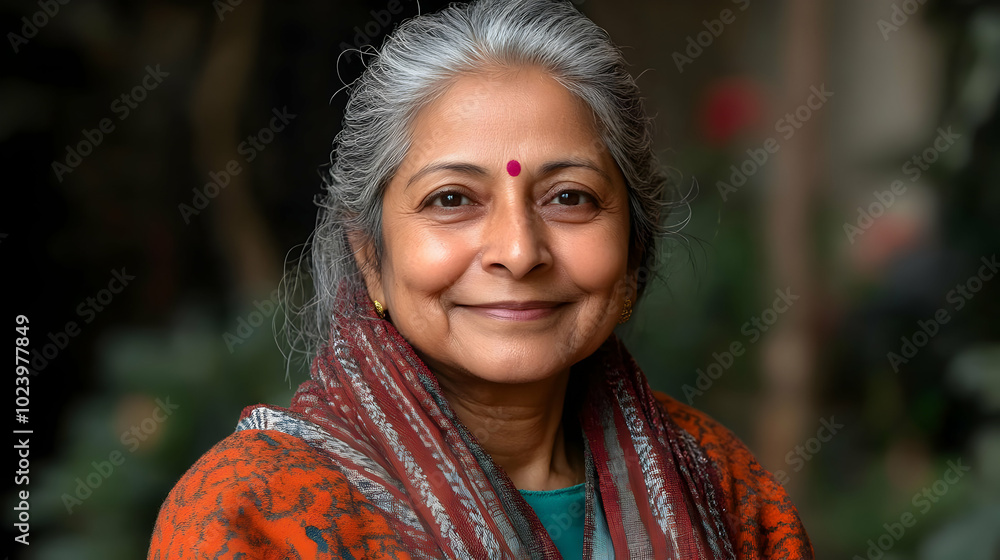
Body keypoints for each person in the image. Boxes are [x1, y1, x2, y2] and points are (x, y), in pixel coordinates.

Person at [148, 0, 813, 558]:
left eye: (570, 197)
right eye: (452, 200)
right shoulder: (254, 513)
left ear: (633, 247)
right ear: (370, 256)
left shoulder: (723, 484)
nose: (519, 253)